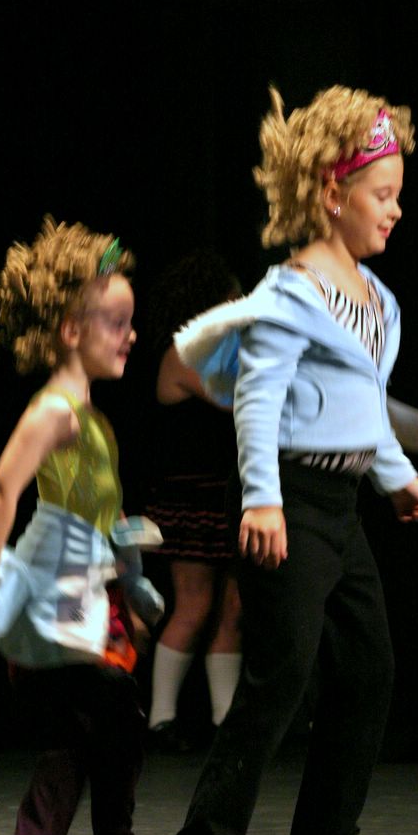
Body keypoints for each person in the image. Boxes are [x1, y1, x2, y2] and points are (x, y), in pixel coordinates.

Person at [166, 84, 418, 835]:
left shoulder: (378, 302)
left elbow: (364, 412)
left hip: (339, 505)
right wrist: (261, 499)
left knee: (368, 667)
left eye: (397, 195)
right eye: (382, 195)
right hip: (284, 494)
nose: (395, 210)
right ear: (332, 193)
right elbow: (256, 399)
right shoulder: (291, 294)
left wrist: (398, 480)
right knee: (281, 672)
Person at [0, 215, 163, 835]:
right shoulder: (56, 411)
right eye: (115, 324)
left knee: (93, 720)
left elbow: (97, 511)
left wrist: (127, 578)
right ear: (70, 330)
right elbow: (1, 493)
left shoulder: (88, 417)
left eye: (130, 323)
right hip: (54, 588)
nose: (130, 336)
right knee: (111, 709)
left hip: (88, 585)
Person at [142, 250, 243, 751]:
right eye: (233, 299)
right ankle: (160, 720)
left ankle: (226, 723)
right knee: (195, 604)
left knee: (232, 609)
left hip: (224, 494)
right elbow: (234, 398)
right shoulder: (182, 355)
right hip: (190, 495)